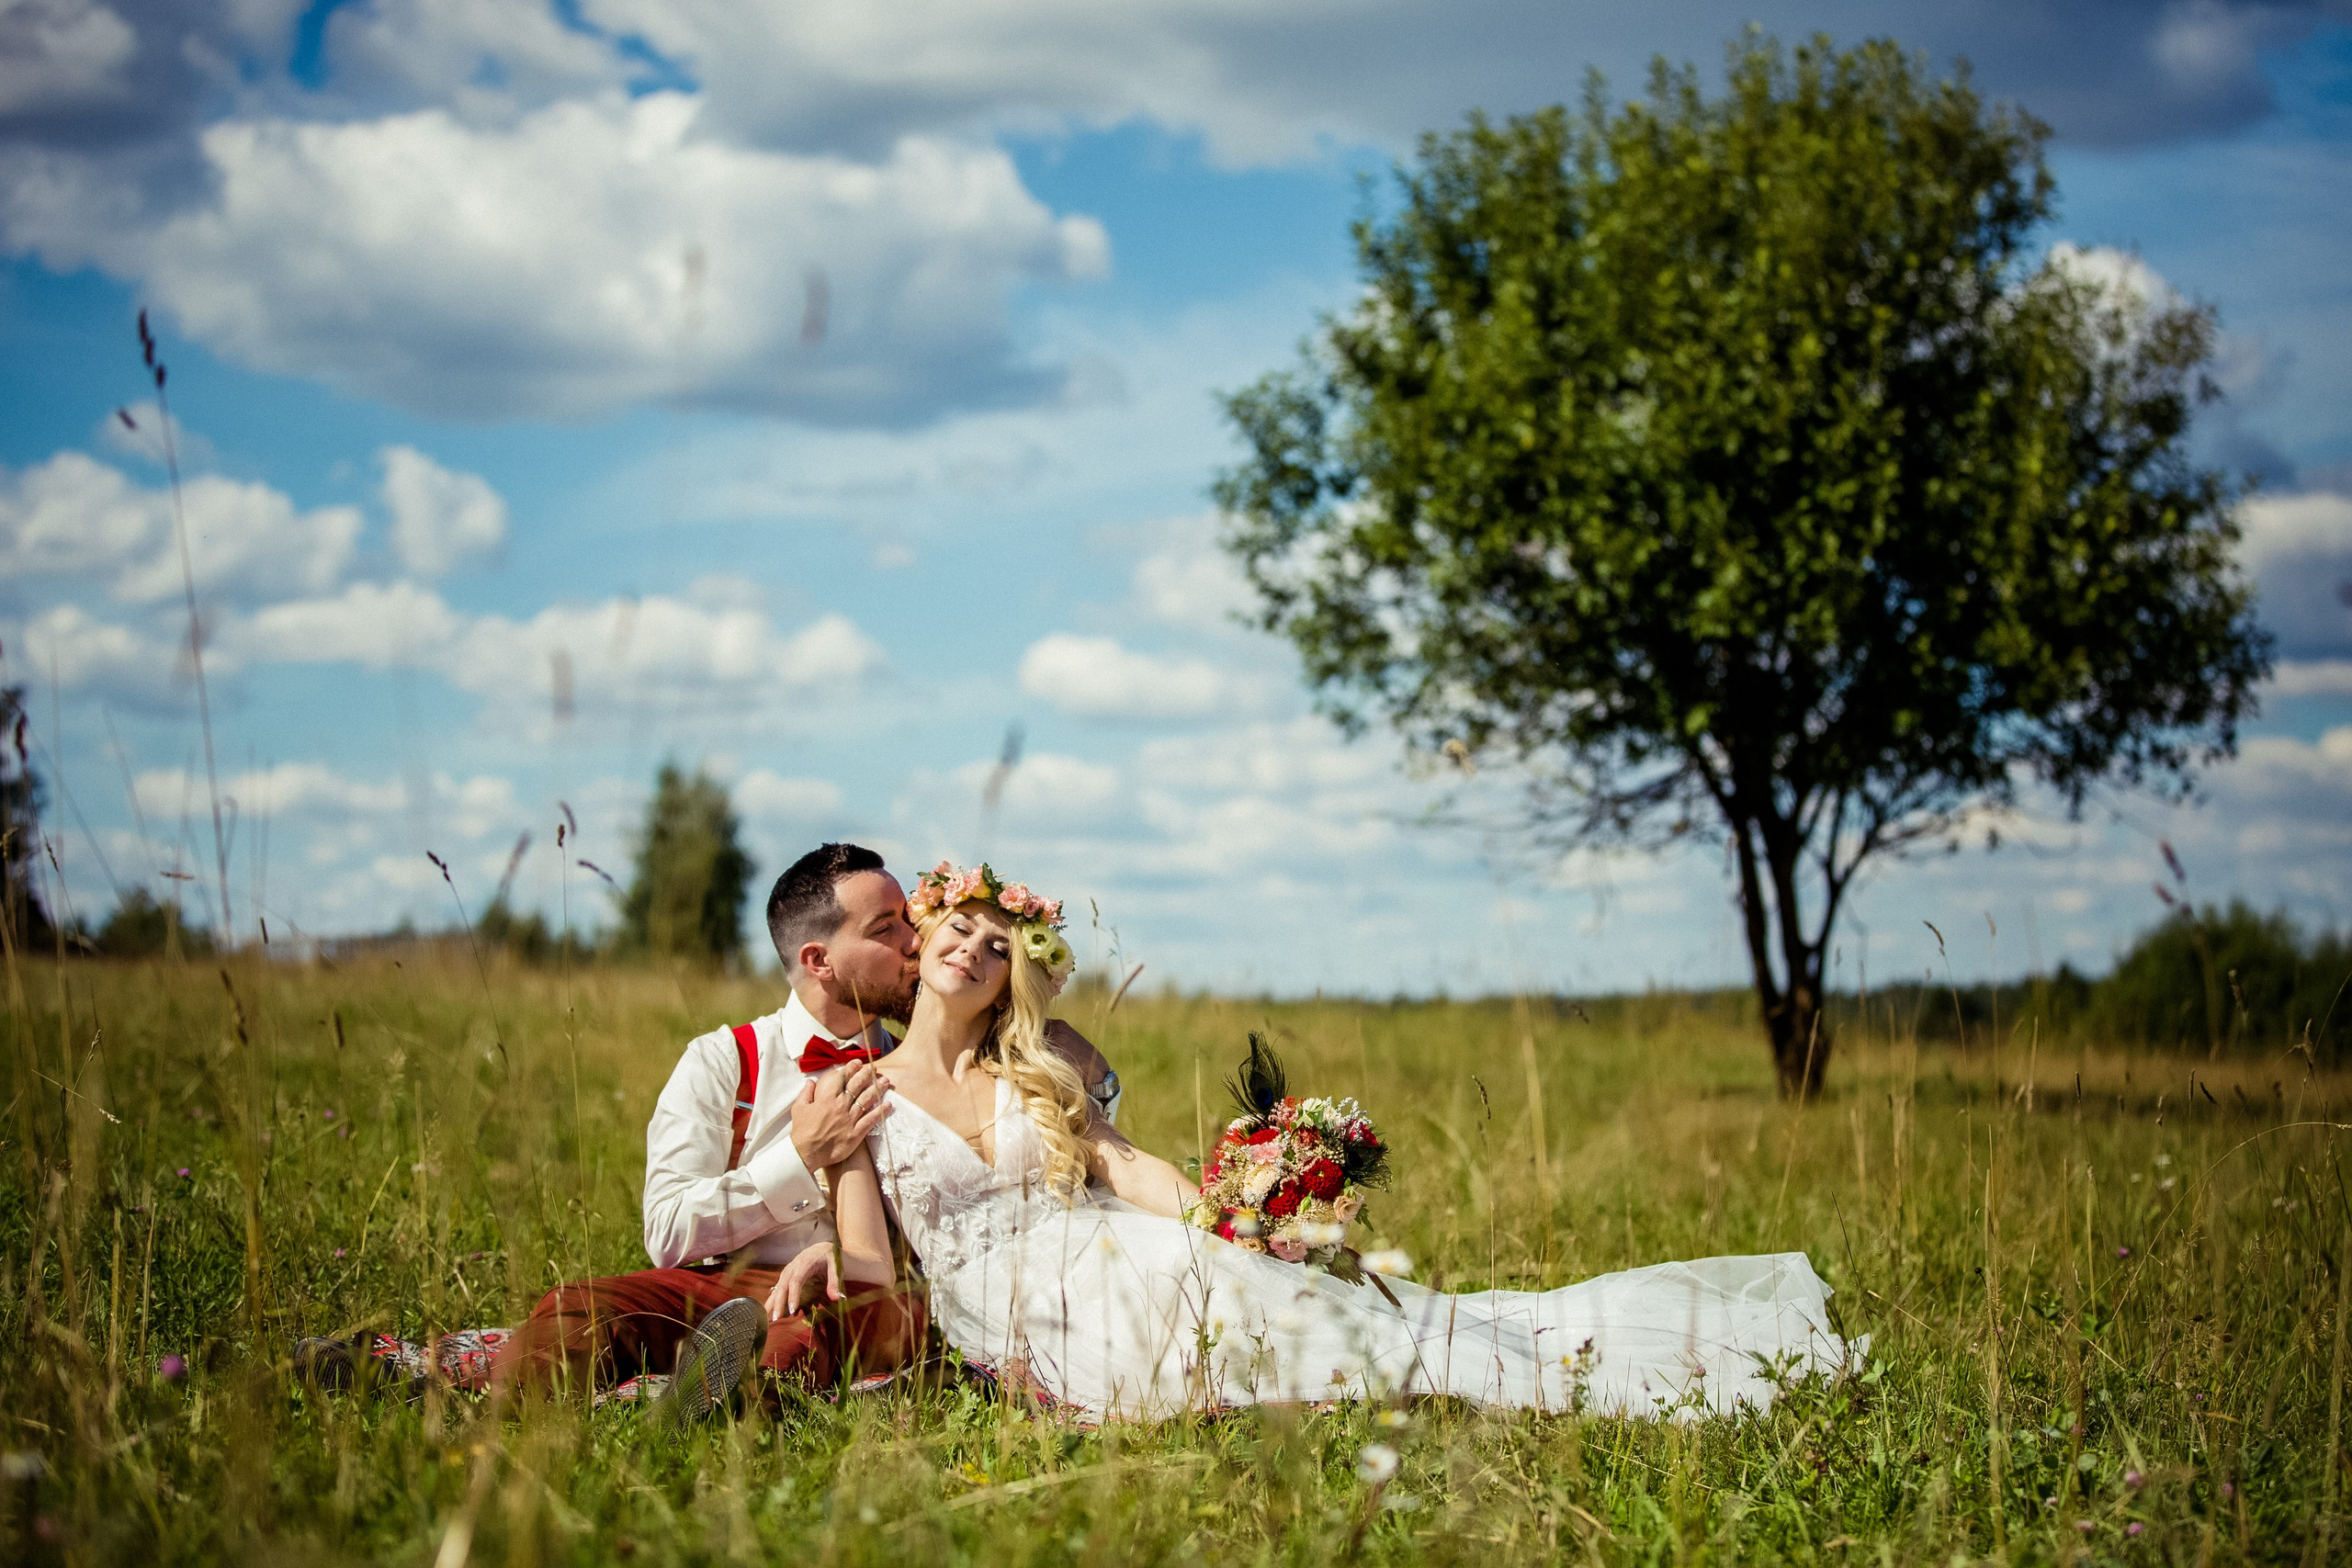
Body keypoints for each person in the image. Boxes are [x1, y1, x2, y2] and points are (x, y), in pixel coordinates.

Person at [858, 861, 1861, 1420]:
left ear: (1014, 980)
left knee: (1356, 1337)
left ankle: (1593, 1371)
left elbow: (1119, 1164)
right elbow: (859, 1247)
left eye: (999, 947)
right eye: (960, 932)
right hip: (999, 1301)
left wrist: (1217, 1218)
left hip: (1113, 1245)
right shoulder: (861, 1094)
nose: (975, 953)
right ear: (923, 940)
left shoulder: (1035, 1070)